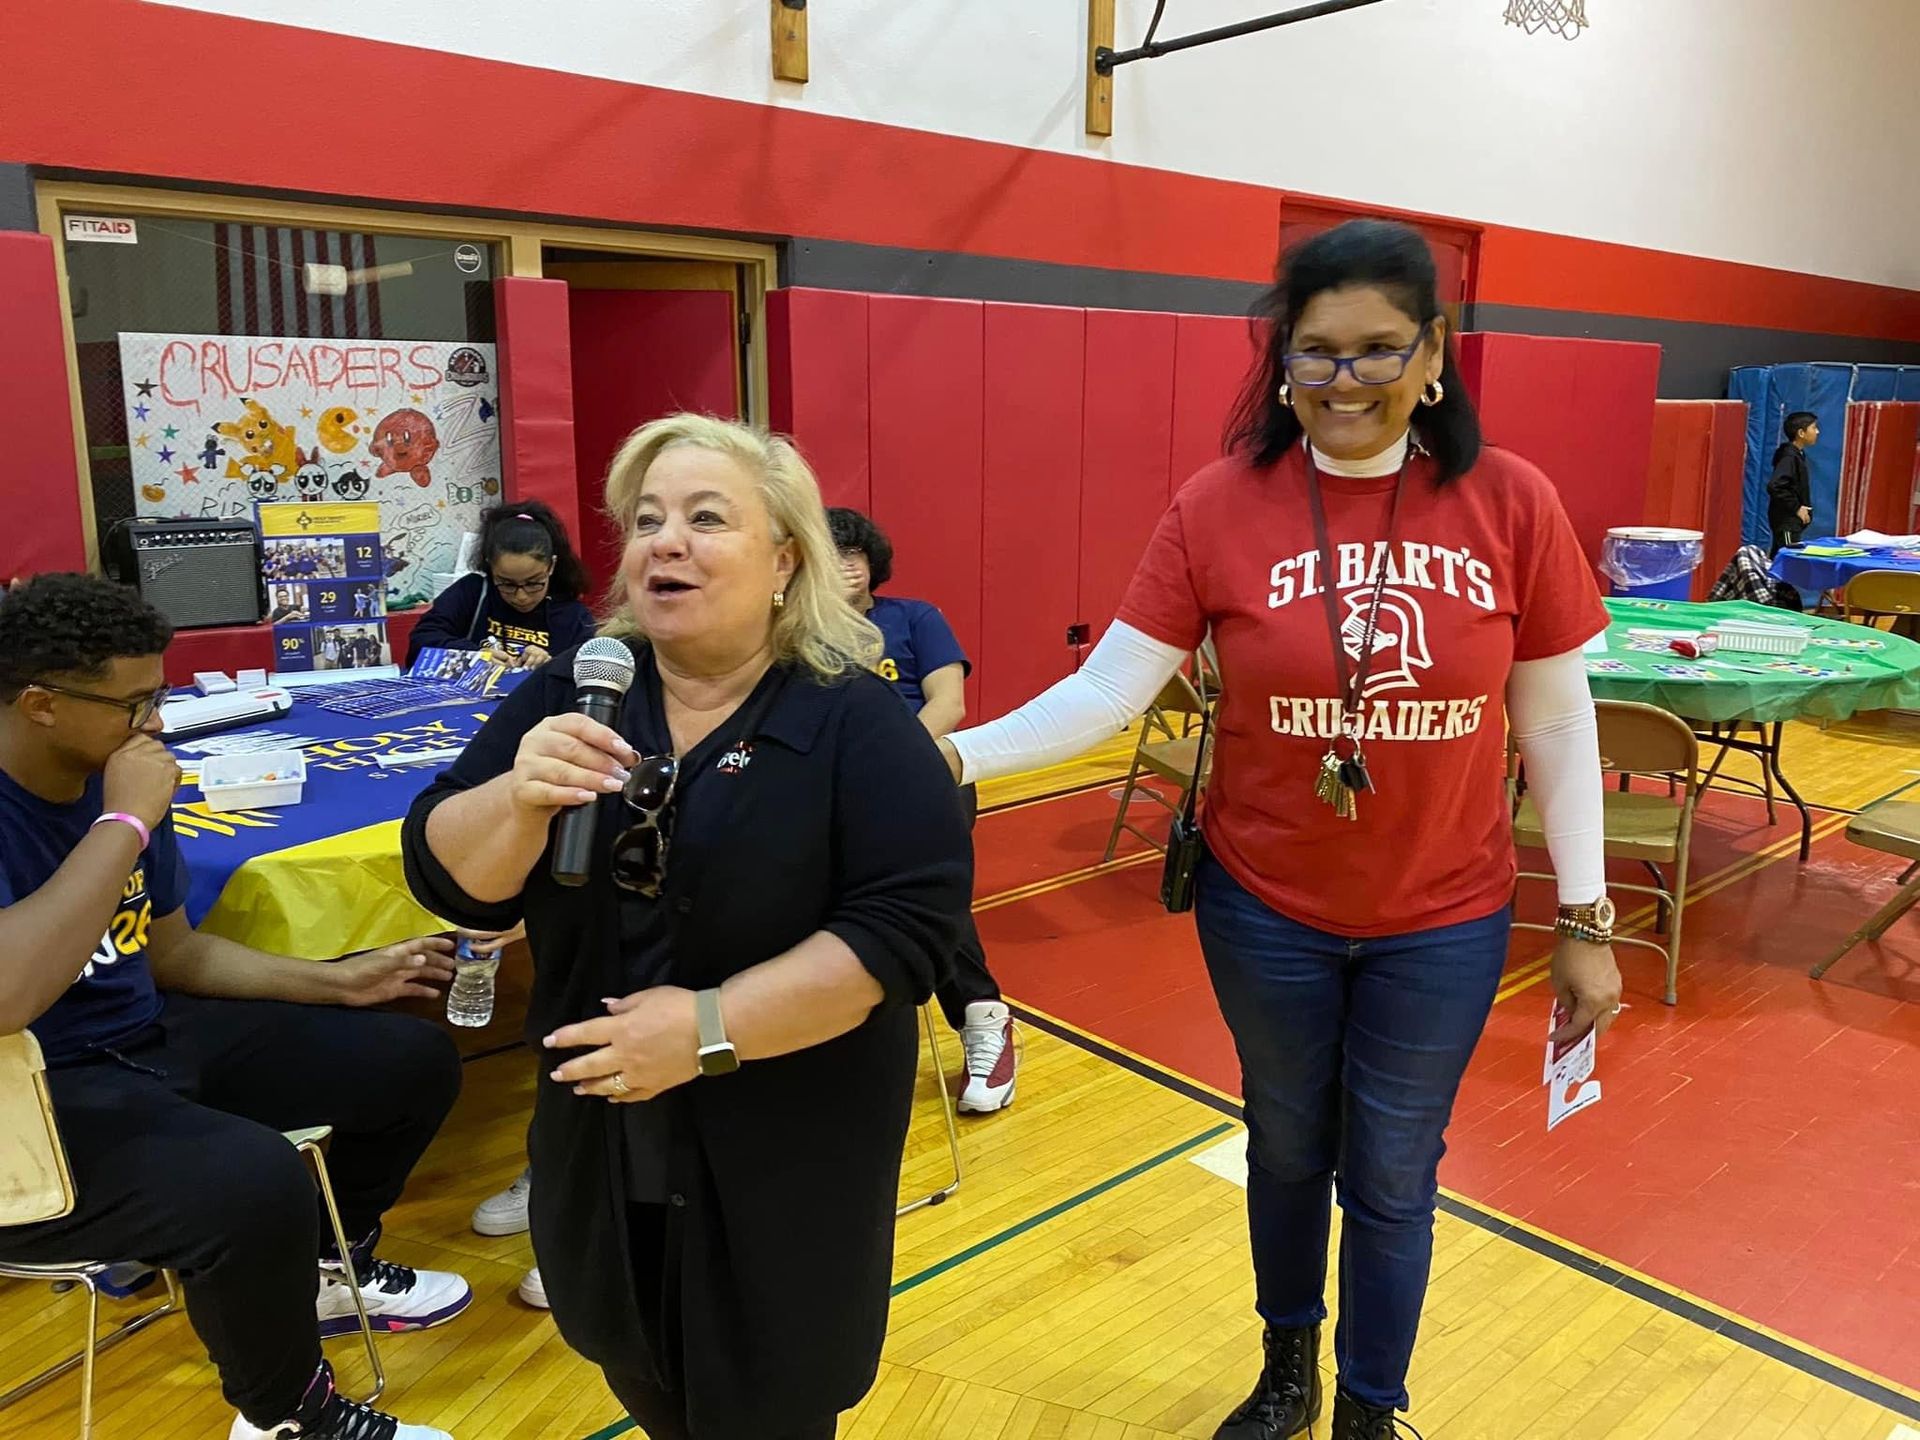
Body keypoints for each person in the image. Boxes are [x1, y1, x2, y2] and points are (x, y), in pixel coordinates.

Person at [939, 221, 1621, 1440]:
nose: (1343, 381)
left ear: (1435, 354)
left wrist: (1585, 916)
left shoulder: (1511, 501)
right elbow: (1108, 693)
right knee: (1288, 1147)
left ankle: (1370, 1407)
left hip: (1447, 915)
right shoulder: (1219, 503)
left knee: (1398, 1178)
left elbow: (1559, 725)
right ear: (1281, 359)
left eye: (1374, 351)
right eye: (1316, 352)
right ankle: (1289, 1371)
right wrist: (945, 751)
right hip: (1268, 910)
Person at [401, 413, 972, 1440]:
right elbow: (451, 881)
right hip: (604, 1136)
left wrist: (708, 1028)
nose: (665, 541)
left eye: (707, 518)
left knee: (770, 1399)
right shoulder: (574, 690)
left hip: (788, 1148)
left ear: (784, 559)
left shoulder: (854, 718)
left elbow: (905, 931)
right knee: (641, 1367)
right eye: (648, 519)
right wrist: (517, 800)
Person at [0, 573, 473, 1440]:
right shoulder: (114, 803)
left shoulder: (114, 777)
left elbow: (174, 952)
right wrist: (124, 827)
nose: (157, 723)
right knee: (249, 1183)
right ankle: (290, 1419)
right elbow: (8, 997)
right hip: (21, 1104)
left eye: (160, 695)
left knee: (407, 1062)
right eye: (135, 703)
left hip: (136, 1044)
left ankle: (331, 1271)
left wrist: (342, 982)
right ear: (40, 704)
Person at [824, 506, 1017, 1112]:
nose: (844, 566)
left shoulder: (914, 618)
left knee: (922, 894)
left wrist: (893, 765)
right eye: (830, 554)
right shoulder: (796, 633)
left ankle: (985, 1020)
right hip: (829, 788)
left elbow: (948, 703)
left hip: (926, 775)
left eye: (853, 554)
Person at [404, 500, 596, 671]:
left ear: (551, 566)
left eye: (534, 583)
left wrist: (552, 664)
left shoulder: (573, 616)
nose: (521, 596)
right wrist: (475, 656)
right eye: (507, 584)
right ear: (490, 567)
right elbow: (420, 644)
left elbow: (591, 669)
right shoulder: (473, 593)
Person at [1766, 410, 1819, 556]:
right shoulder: (1789, 457)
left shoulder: (1797, 455)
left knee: (1777, 559)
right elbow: (1775, 485)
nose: (1817, 431)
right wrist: (1796, 508)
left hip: (1791, 523)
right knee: (1789, 559)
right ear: (1801, 433)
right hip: (1786, 523)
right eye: (1814, 428)